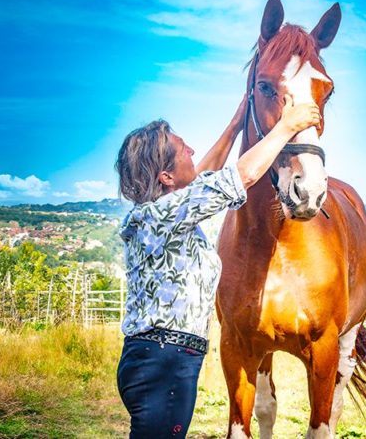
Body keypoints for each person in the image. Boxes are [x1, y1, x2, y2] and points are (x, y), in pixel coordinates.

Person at [114, 95, 320, 438]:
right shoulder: (161, 215)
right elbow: (241, 175)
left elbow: (204, 174)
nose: (192, 150)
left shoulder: (166, 211)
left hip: (162, 357)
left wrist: (237, 123)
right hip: (163, 360)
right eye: (183, 149)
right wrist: (288, 127)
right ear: (166, 176)